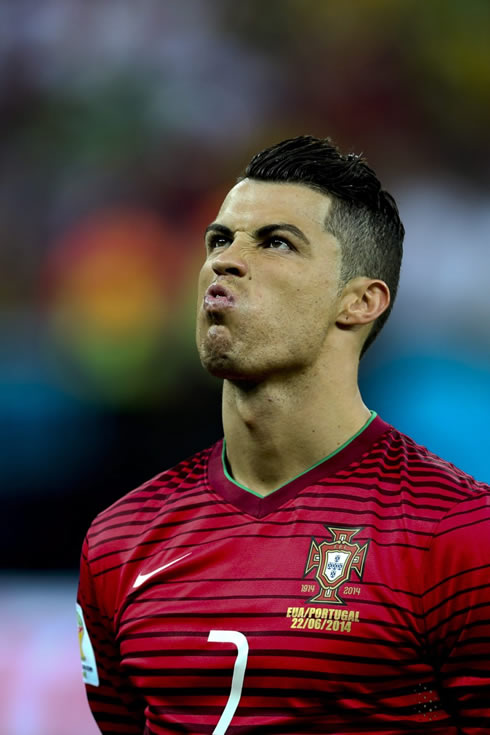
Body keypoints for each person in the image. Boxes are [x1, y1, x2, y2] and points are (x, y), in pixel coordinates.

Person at [77, 135, 490, 734]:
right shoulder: (121, 539)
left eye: (276, 242)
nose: (225, 260)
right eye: (220, 240)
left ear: (360, 301)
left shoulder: (457, 535)